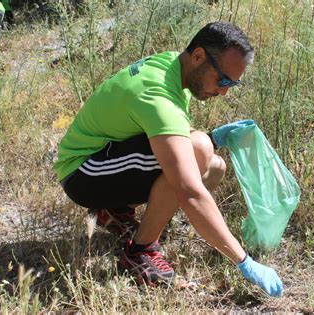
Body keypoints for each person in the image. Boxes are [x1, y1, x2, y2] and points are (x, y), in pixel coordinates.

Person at [54, 21, 283, 297]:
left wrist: (212, 139)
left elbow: (166, 135)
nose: (224, 92)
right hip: (84, 172)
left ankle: (115, 210)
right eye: (223, 80)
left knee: (215, 167)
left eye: (233, 83)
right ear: (198, 56)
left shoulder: (174, 66)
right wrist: (243, 261)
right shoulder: (158, 94)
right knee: (197, 154)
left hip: (108, 158)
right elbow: (189, 192)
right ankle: (139, 252)